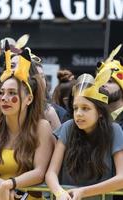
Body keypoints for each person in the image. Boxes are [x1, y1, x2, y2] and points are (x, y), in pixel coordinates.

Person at [0, 44, 54, 200]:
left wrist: (9, 184)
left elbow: (40, 172)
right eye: (1, 93)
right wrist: (0, 184)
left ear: (29, 99)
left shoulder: (42, 127)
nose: (4, 98)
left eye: (12, 93)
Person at [45, 70, 123, 200]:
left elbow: (121, 178)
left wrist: (83, 192)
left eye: (85, 108)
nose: (79, 114)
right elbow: (51, 173)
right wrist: (59, 192)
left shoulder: (114, 130)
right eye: (75, 108)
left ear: (100, 112)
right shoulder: (68, 127)